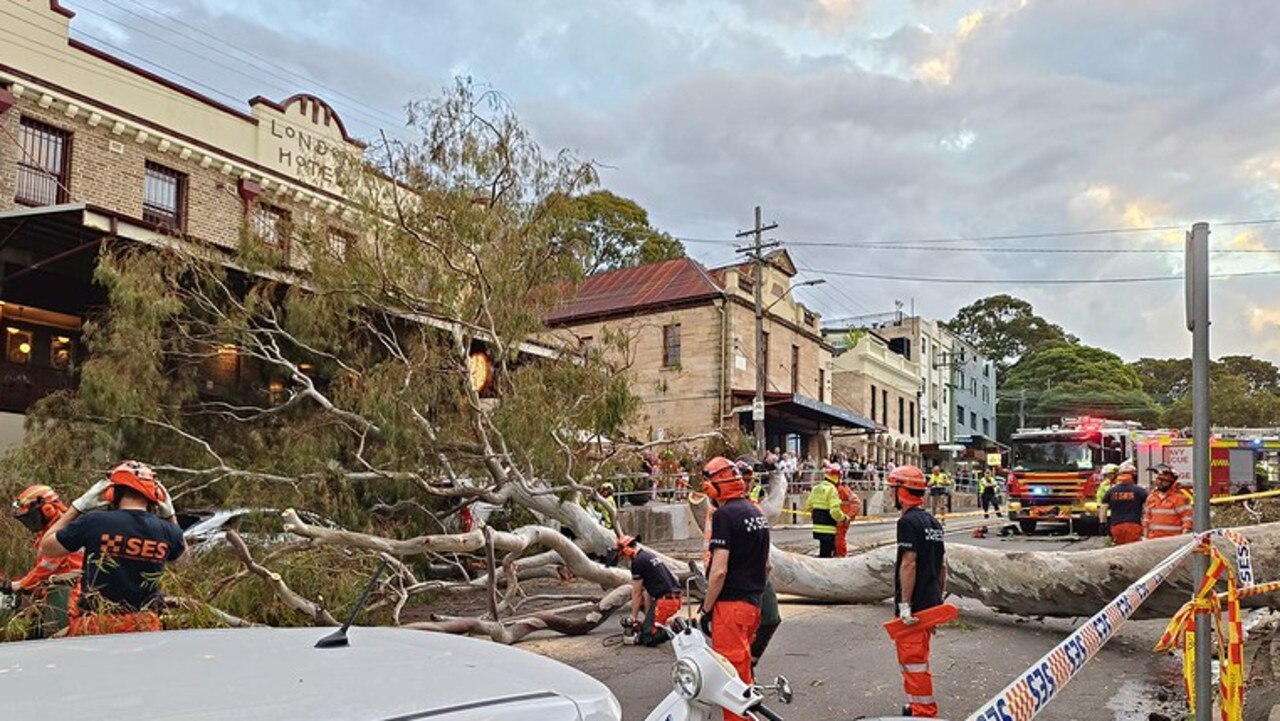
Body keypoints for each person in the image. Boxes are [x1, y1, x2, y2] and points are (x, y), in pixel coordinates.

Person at [39, 461, 185, 636]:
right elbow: (183, 558)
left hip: (97, 624)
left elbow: (46, 548)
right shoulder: (167, 530)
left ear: (112, 492)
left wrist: (77, 508)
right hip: (145, 626)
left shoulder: (94, 522)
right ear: (156, 495)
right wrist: (170, 516)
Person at [701, 456, 771, 721]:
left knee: (731, 680)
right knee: (744, 673)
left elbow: (719, 571)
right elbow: (767, 567)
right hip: (753, 603)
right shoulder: (756, 513)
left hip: (730, 606)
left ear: (714, 487)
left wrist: (706, 609)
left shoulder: (724, 516)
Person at [888, 465, 946, 718]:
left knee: (913, 662)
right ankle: (917, 706)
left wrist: (904, 604)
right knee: (917, 659)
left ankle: (924, 711)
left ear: (902, 491)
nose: (890, 494)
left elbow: (909, 563)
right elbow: (943, 565)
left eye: (892, 489)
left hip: (915, 607)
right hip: (930, 602)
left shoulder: (908, 522)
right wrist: (938, 602)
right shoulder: (933, 521)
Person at [8, 485, 84, 635]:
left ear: (47, 510)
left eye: (32, 516)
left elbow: (46, 567)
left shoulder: (64, 530)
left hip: (69, 592)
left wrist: (19, 585)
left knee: (56, 638)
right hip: (58, 589)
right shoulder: (51, 529)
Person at [732, 456, 783, 672]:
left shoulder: (754, 506)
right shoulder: (722, 510)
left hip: (760, 572)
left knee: (770, 618)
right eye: (744, 477)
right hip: (737, 576)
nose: (748, 483)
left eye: (750, 478)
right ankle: (739, 670)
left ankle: (749, 662)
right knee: (738, 627)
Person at [617, 535, 682, 646]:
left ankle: (674, 628)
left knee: (648, 638)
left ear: (627, 550)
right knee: (647, 628)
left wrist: (633, 617)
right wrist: (647, 617)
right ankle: (673, 625)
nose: (625, 558)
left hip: (664, 602)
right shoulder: (648, 556)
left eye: (623, 555)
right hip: (674, 599)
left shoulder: (637, 562)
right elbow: (647, 592)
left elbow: (636, 593)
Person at [804, 462, 847, 558]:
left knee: (823, 552)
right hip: (828, 528)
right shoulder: (831, 490)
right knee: (827, 557)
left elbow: (808, 506)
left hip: (817, 527)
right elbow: (834, 511)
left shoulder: (816, 488)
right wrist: (844, 518)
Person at [1143, 464, 1193, 540]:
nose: (1159, 483)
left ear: (1170, 482)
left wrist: (1182, 539)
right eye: (1158, 480)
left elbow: (1187, 521)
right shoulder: (1152, 497)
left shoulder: (1179, 498)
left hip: (1172, 541)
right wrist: (1146, 538)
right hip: (1153, 540)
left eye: (1163, 481)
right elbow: (1147, 520)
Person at [1099, 467, 1147, 545]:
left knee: (1119, 549)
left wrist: (1102, 524)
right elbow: (1147, 507)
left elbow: (1103, 509)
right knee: (1133, 549)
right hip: (1134, 524)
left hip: (1116, 525)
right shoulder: (1140, 491)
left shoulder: (1111, 491)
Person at [834, 472, 862, 558]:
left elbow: (856, 503)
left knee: (839, 538)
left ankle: (840, 556)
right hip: (839, 517)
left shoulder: (842, 489)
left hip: (842, 519)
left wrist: (848, 516)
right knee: (836, 538)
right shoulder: (838, 488)